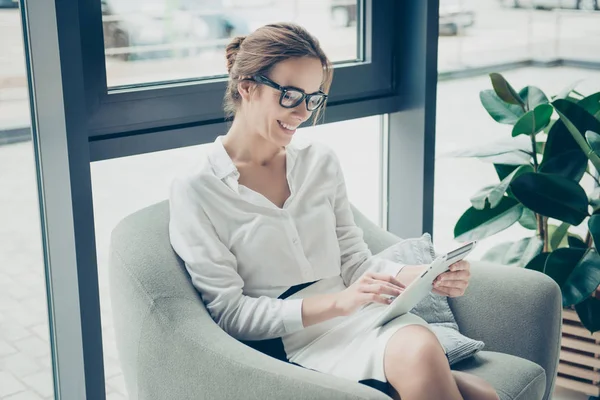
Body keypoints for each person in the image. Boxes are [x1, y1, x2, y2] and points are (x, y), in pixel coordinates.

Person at [169, 22, 499, 400]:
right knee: (456, 380)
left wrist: (427, 274)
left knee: (479, 392)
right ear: (247, 86)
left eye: (313, 99)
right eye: (290, 95)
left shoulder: (320, 163)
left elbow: (356, 263)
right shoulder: (198, 187)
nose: (303, 113)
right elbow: (230, 314)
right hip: (287, 341)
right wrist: (340, 302)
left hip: (361, 315)